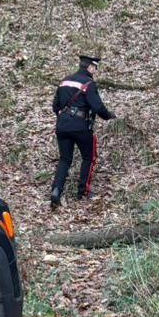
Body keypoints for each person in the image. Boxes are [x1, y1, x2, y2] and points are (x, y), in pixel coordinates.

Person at [49, 53, 113, 208]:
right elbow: (97, 107)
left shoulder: (64, 81)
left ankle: (56, 190)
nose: (96, 71)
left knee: (65, 159)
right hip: (81, 127)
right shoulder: (89, 83)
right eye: (95, 68)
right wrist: (110, 116)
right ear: (90, 67)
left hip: (62, 127)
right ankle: (82, 191)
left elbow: (55, 107)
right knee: (88, 157)